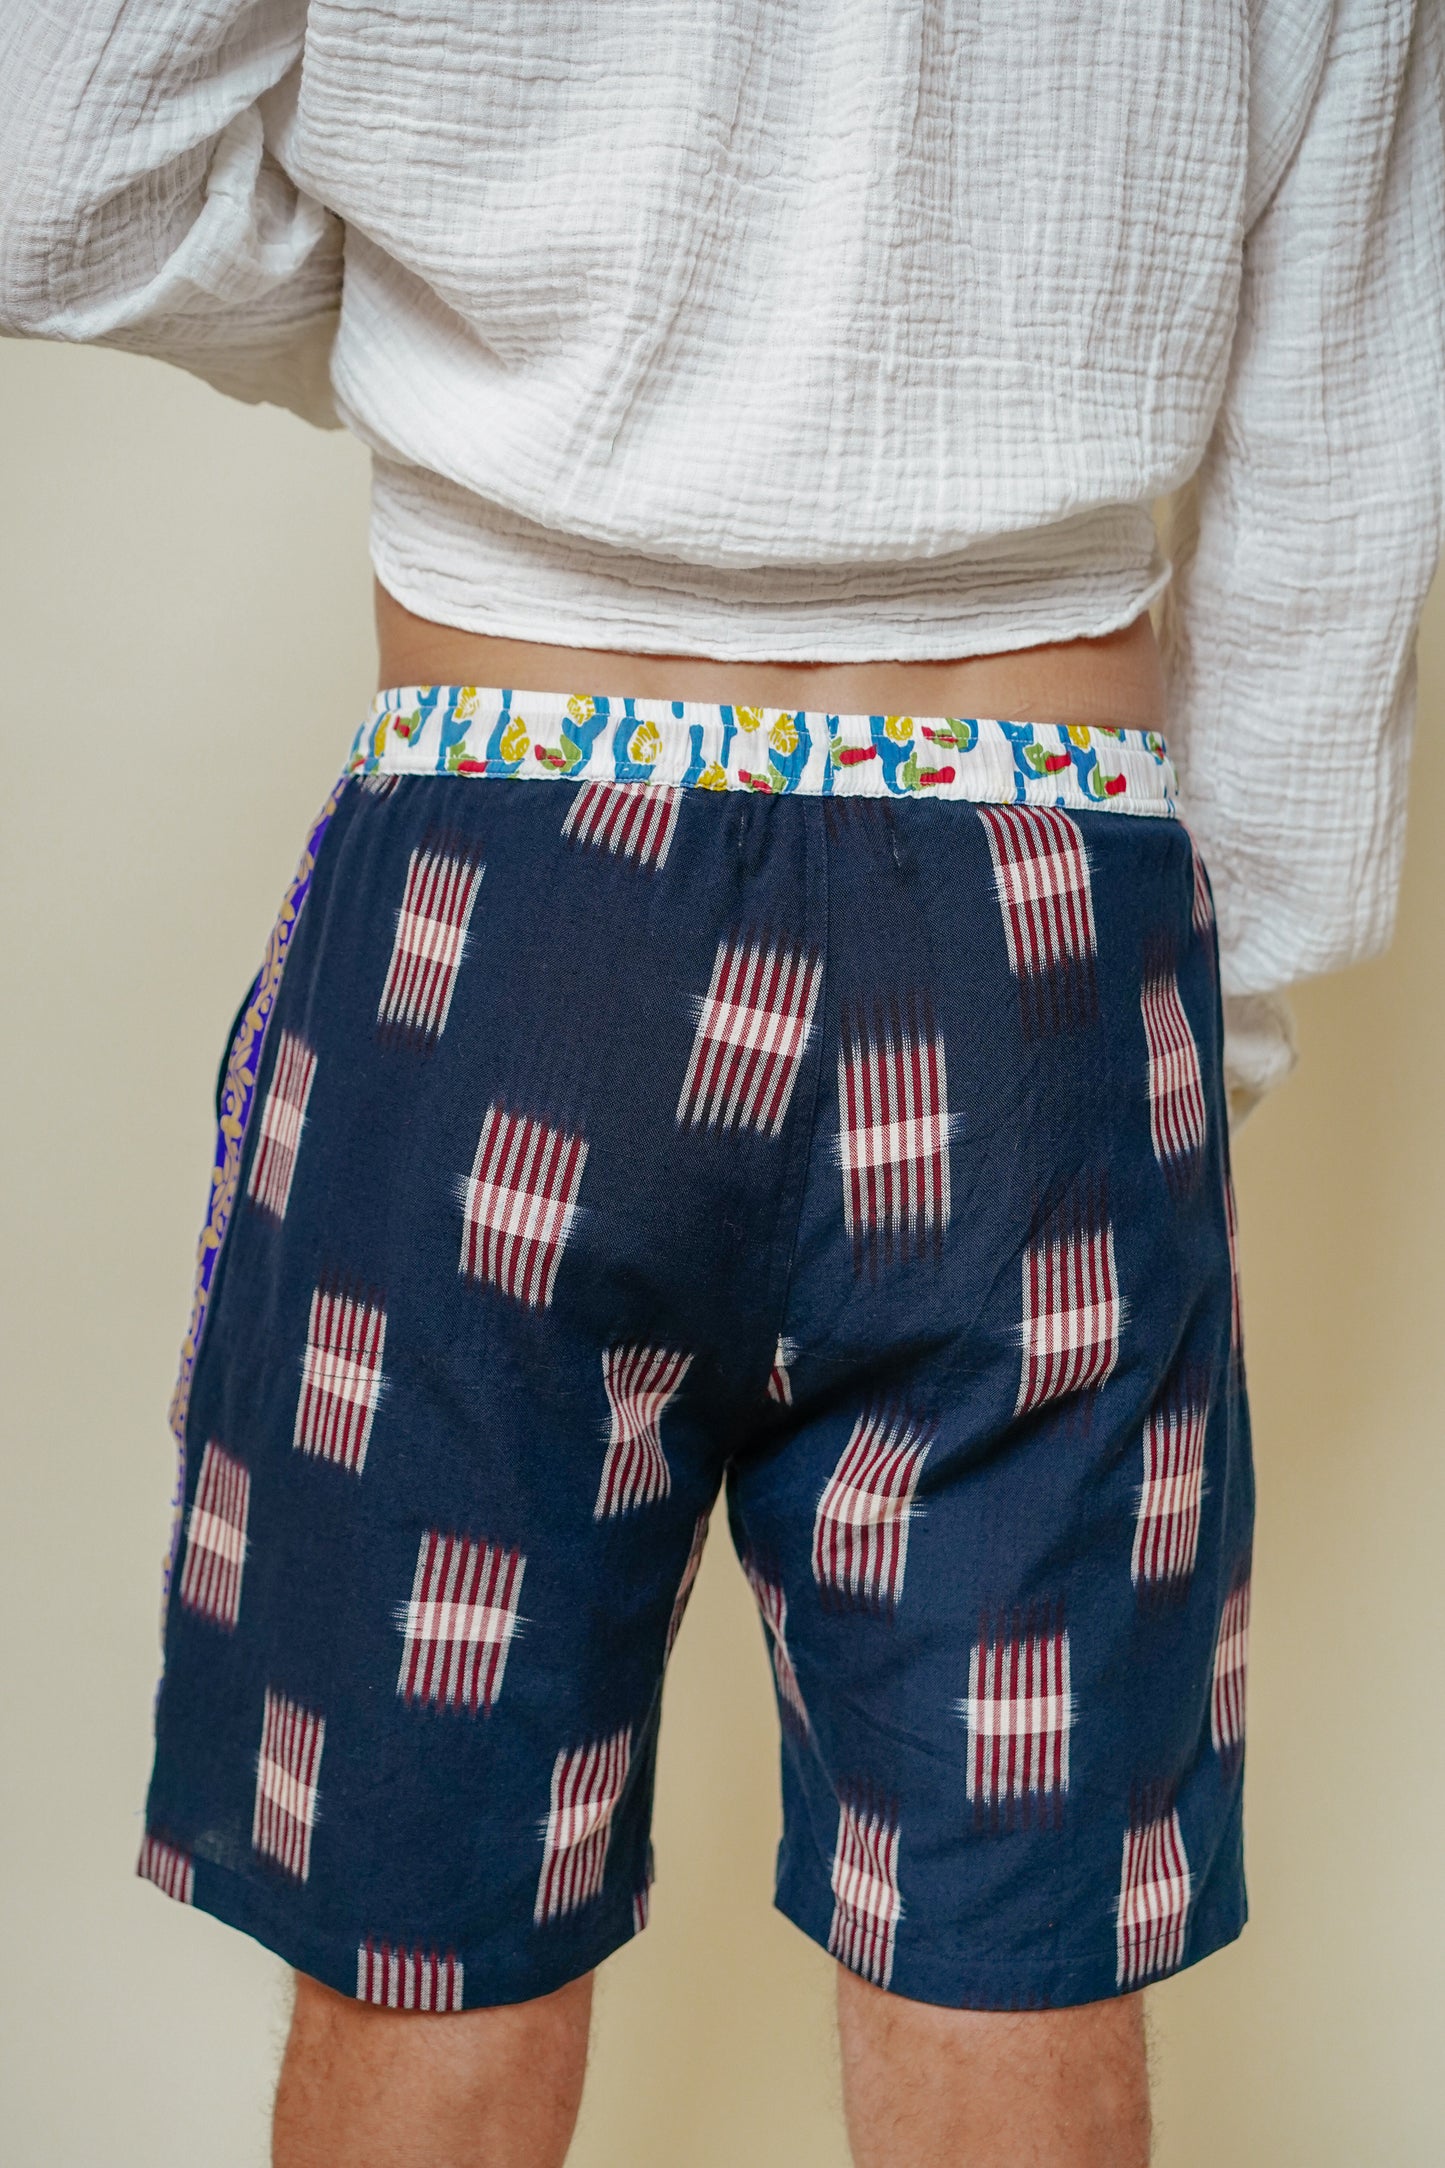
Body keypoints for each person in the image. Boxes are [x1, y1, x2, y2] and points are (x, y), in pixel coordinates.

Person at [2, 4, 1441, 2163]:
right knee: (1013, 1936)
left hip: (506, 907)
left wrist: (481, 335)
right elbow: (1340, 440)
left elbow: (59, 177)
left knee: (423, 1929)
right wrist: (1182, 1039)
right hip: (1032, 923)